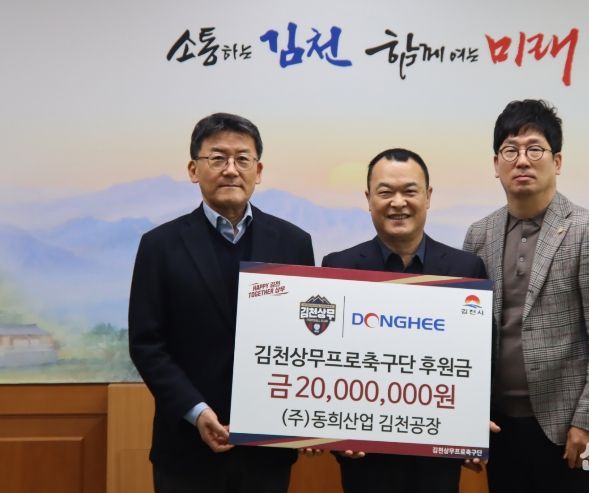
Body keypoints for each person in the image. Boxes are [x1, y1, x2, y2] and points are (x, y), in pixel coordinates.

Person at [128, 113, 315, 493]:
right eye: (217, 158)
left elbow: (307, 338)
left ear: (258, 171)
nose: (231, 169)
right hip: (186, 447)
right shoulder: (159, 246)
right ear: (193, 169)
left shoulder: (294, 243)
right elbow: (147, 344)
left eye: (242, 159)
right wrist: (196, 411)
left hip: (268, 447)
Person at [463, 100, 589, 493]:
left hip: (570, 428)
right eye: (510, 150)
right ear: (496, 164)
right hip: (500, 426)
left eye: (534, 149)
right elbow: (467, 334)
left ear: (557, 161)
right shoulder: (479, 234)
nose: (522, 160)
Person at [322, 148, 487, 493]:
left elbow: (483, 358)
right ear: (369, 199)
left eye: (410, 191)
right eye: (385, 192)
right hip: (365, 460)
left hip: (438, 460)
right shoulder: (338, 267)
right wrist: (334, 436)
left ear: (428, 196)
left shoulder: (465, 270)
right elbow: (323, 362)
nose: (398, 202)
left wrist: (472, 421)